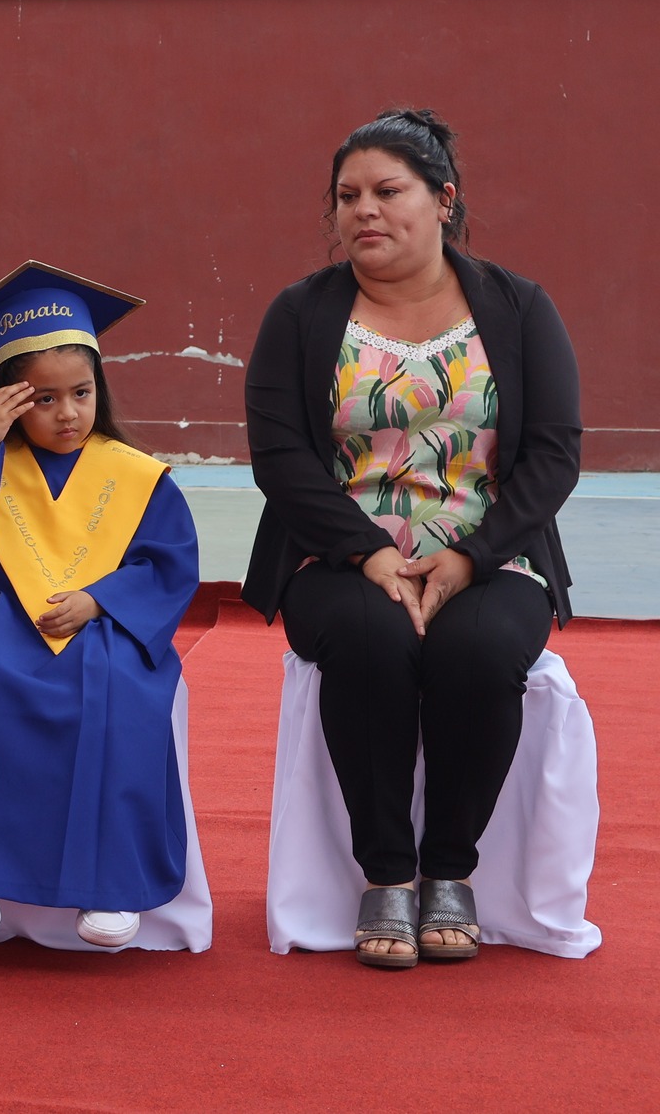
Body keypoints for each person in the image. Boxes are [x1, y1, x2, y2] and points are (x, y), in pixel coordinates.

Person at [244, 108, 581, 968]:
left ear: (443, 201)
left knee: (477, 650)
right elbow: (280, 454)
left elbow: (553, 454)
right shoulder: (299, 314)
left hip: (491, 557)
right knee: (366, 635)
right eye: (348, 195)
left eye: (389, 191)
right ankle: (387, 875)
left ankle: (450, 871)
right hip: (339, 559)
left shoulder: (518, 307)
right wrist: (373, 554)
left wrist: (470, 557)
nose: (366, 210)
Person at [0, 262, 199, 949]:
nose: (67, 413)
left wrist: (99, 599)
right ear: (7, 400)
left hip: (105, 626)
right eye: (43, 399)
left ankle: (110, 883)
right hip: (1, 614)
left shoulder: (133, 473)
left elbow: (169, 563)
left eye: (82, 393)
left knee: (118, 687)